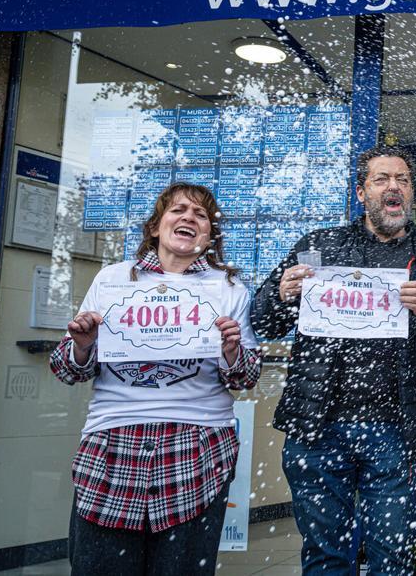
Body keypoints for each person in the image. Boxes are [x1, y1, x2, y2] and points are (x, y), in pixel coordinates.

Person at [251, 146, 416, 574]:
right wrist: (281, 294)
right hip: (316, 430)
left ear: (411, 194)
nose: (394, 187)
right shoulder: (317, 248)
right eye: (382, 178)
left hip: (396, 432)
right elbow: (264, 321)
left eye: (402, 180)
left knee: (393, 557)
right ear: (361, 190)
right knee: (325, 556)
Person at [50, 182, 260, 575]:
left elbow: (245, 378)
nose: (189, 219)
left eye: (201, 216)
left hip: (197, 445)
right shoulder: (113, 281)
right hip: (112, 442)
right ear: (155, 227)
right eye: (178, 211)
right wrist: (83, 344)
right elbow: (66, 369)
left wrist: (231, 352)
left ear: (210, 236)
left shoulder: (229, 289)